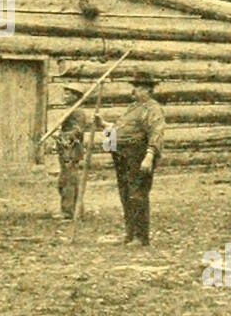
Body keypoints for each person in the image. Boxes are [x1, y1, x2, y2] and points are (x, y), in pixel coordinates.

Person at [97, 73, 166, 245]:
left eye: (137, 87)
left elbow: (156, 133)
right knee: (126, 194)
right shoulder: (133, 107)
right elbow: (122, 129)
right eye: (134, 86)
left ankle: (140, 237)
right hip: (122, 156)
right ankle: (130, 234)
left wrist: (149, 156)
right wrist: (104, 124)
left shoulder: (153, 109)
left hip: (138, 155)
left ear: (147, 90)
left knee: (138, 194)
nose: (133, 90)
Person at [54, 109, 88, 219]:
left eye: (69, 93)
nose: (65, 96)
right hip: (65, 149)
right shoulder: (70, 109)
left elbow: (78, 130)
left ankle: (69, 212)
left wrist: (65, 135)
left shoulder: (78, 112)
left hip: (72, 150)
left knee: (69, 181)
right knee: (64, 180)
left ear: (75, 96)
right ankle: (75, 210)